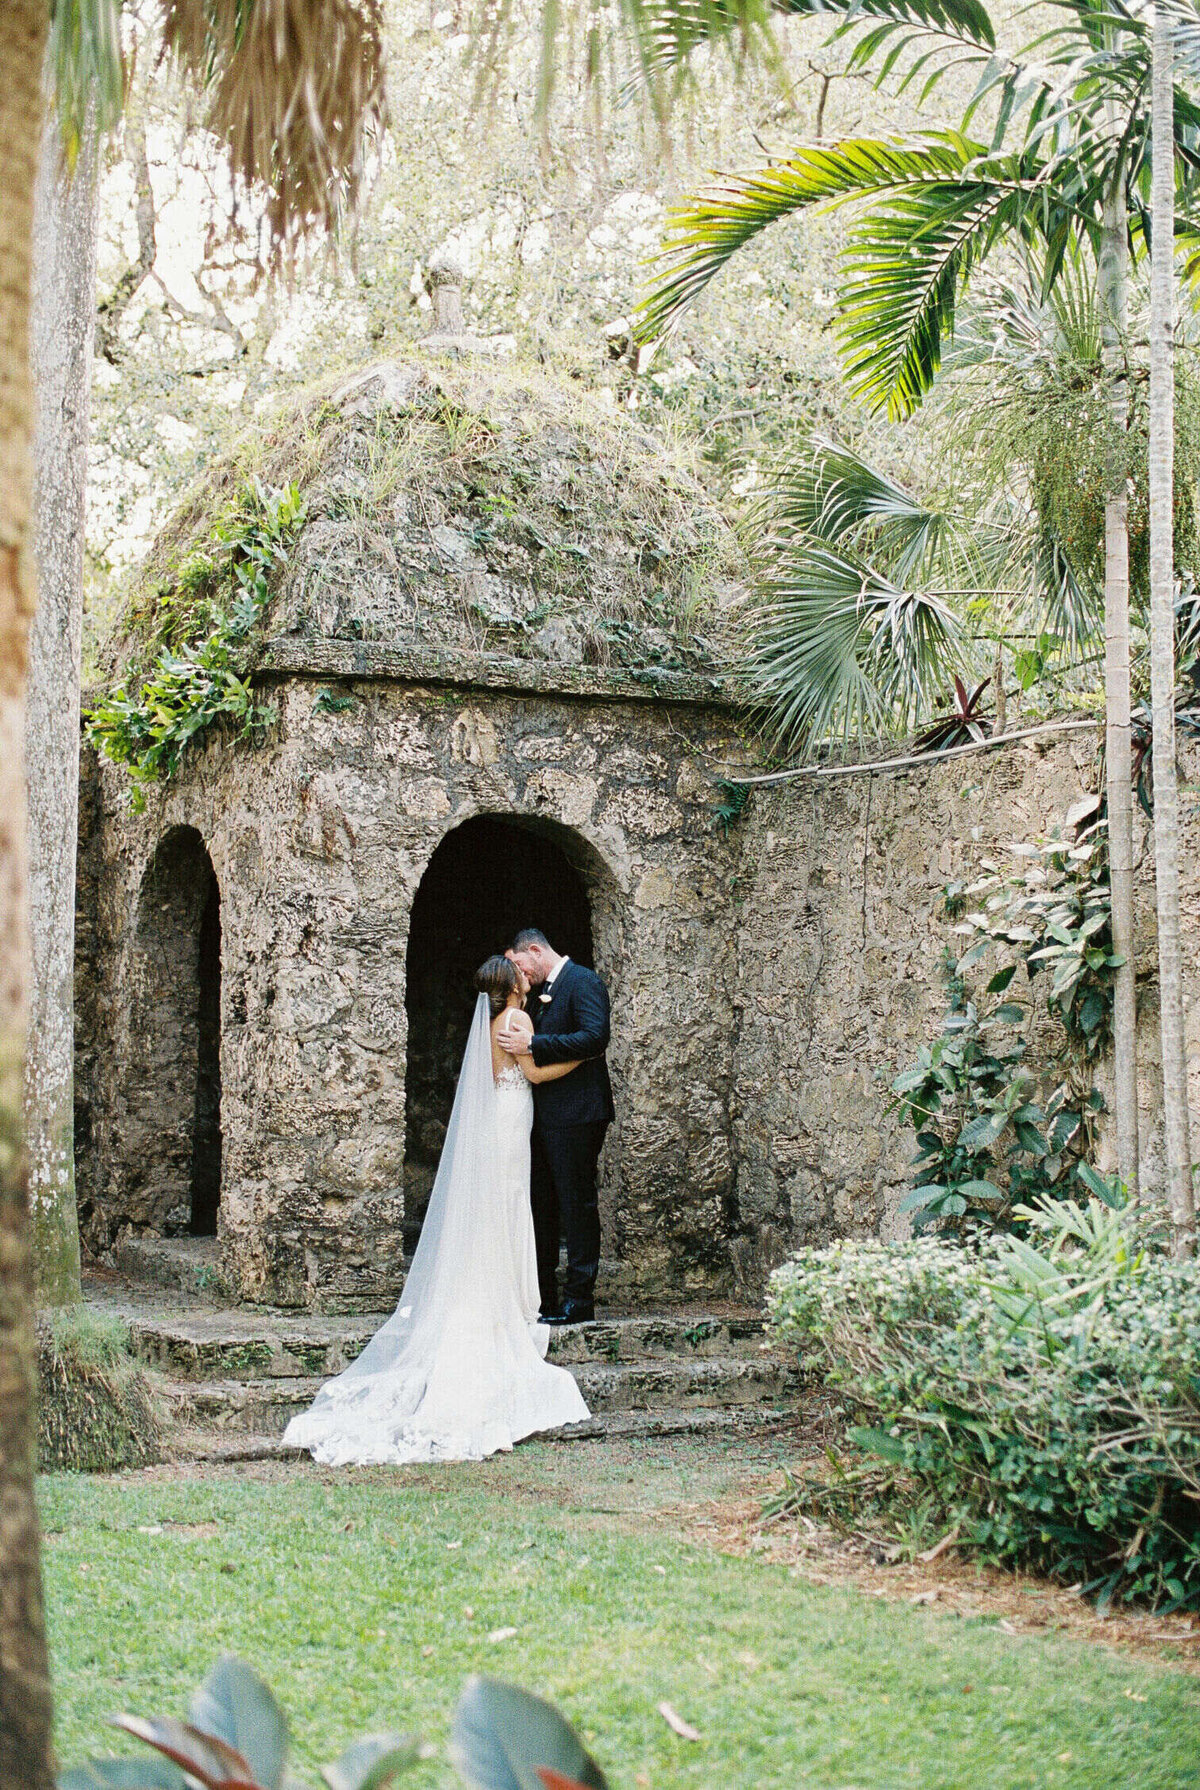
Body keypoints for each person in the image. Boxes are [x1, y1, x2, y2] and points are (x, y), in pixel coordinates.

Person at [282, 956, 589, 1464]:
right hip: (514, 1119)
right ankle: (510, 1302)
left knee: (499, 1206)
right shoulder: (518, 1020)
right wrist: (580, 1058)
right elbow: (533, 1072)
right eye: (518, 973)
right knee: (512, 1203)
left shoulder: (491, 1023)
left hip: (500, 1118)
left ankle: (496, 1294)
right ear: (512, 986)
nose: (525, 976)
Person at [502, 928, 614, 1325]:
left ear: (534, 950)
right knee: (542, 1206)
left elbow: (595, 1036)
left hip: (579, 1113)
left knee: (576, 1204)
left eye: (517, 964)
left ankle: (579, 1299)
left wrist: (535, 1046)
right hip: (542, 1115)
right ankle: (544, 1296)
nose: (518, 974)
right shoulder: (536, 993)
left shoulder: (582, 981)